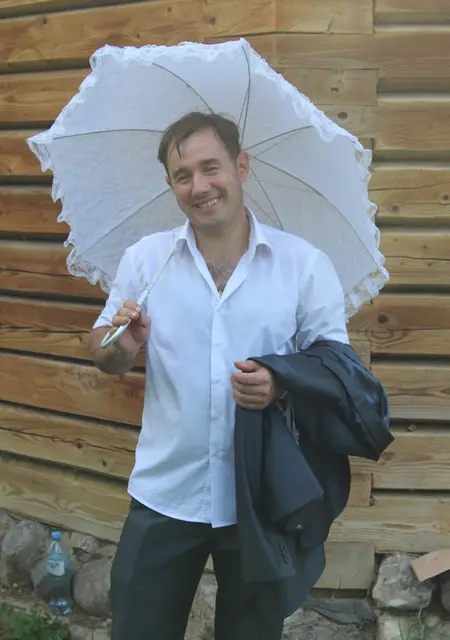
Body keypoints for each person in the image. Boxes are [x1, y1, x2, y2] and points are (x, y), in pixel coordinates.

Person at [89, 111, 349, 640]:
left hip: (260, 499)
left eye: (211, 168)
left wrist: (280, 380)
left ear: (241, 166)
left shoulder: (302, 265)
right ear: (171, 185)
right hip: (165, 492)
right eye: (183, 176)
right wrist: (121, 347)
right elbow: (102, 352)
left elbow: (336, 369)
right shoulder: (147, 260)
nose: (200, 186)